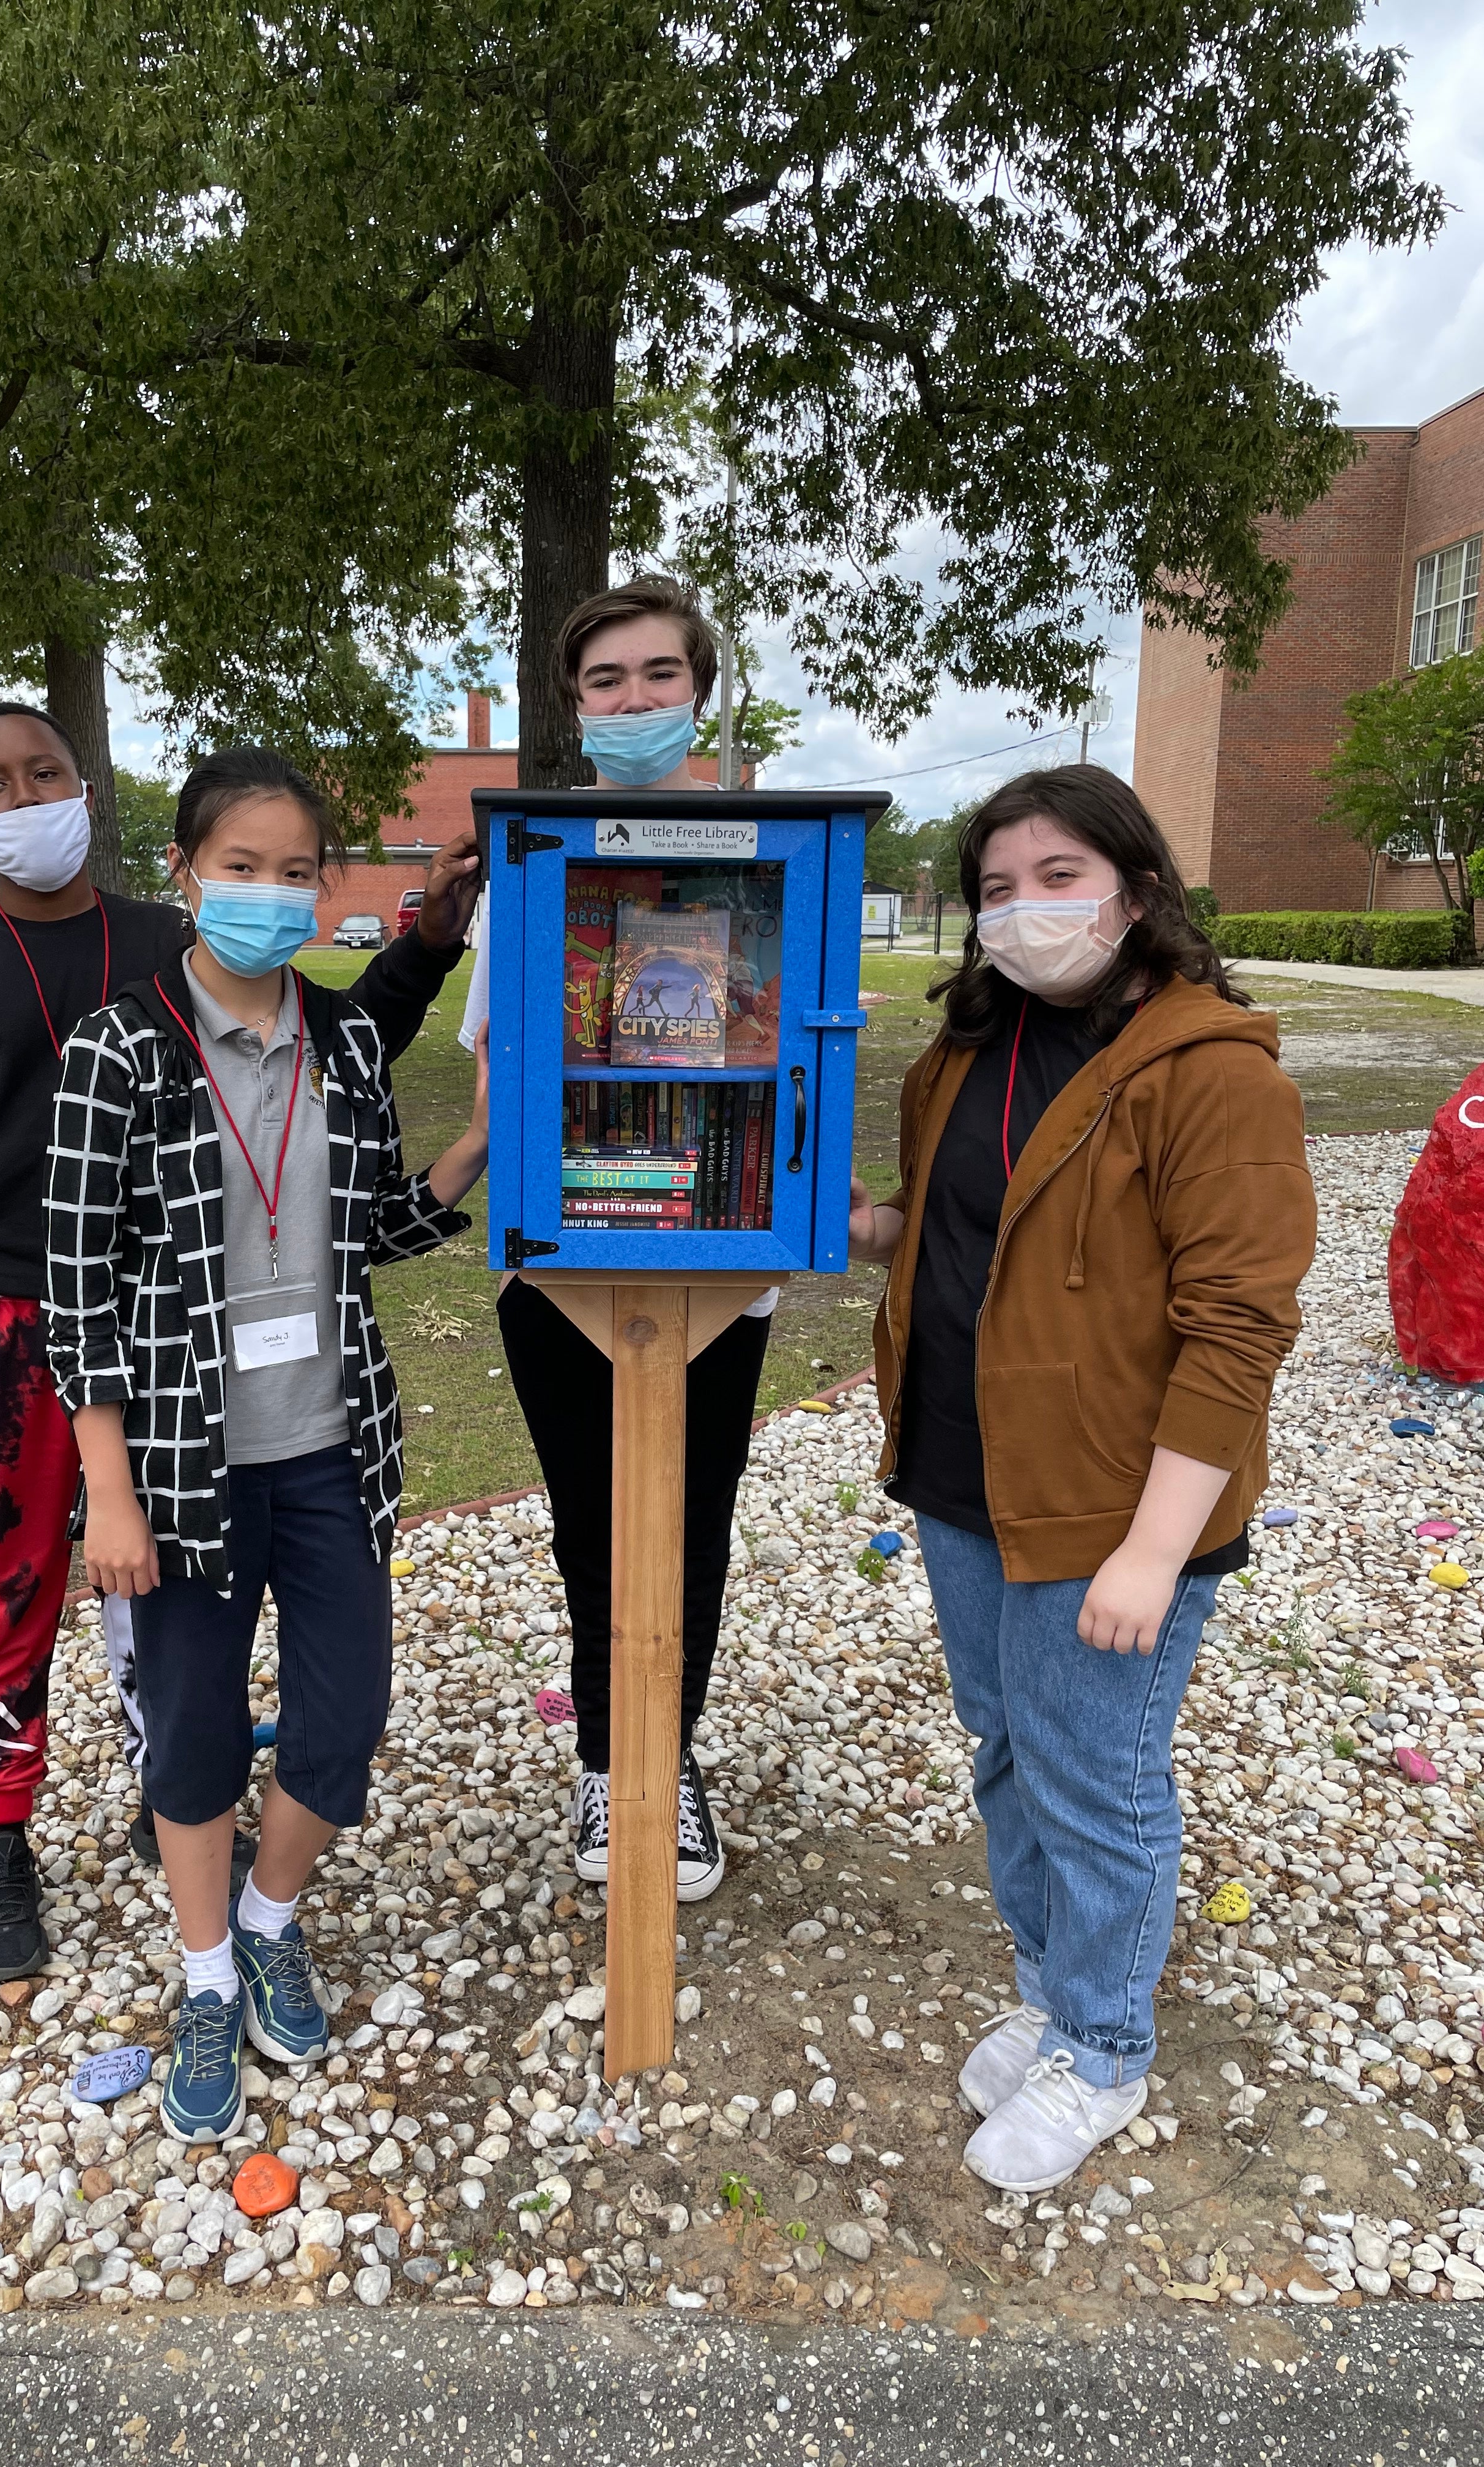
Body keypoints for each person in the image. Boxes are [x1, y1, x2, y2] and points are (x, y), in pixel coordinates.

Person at [0, 704, 478, 1988]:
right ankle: (0, 1831)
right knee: (10, 1595)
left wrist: (430, 936)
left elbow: (342, 1046)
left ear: (89, 790)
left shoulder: (165, 937)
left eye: (47, 773)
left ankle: (183, 1815)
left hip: (188, 1331)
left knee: (160, 1631)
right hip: (8, 1327)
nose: (26, 795)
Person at [850, 767, 1315, 2194]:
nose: (1025, 911)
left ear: (1140, 889)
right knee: (1007, 1754)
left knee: (1095, 1776)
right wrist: (831, 1221)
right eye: (997, 887)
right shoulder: (964, 1058)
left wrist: (1152, 1549)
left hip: (1114, 1505)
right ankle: (1056, 1989)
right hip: (960, 1475)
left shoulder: (1211, 1069)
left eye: (1060, 878)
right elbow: (944, 1233)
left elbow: (1240, 1321)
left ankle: (1106, 2046)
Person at [44, 746, 489, 2140]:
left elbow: (367, 1238)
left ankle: (267, 1917)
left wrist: (469, 1155)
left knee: (345, 1718)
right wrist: (107, 1493)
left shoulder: (345, 1044)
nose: (270, 893)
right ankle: (201, 1977)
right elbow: (77, 1295)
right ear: (185, 877)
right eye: (241, 866)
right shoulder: (115, 1052)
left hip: (331, 1449)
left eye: (296, 871)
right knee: (190, 1733)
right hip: (181, 1466)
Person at [486, 573, 776, 1902]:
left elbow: (785, 1054)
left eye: (660, 676)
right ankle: (613, 1763)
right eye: (607, 683)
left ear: (699, 694)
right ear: (574, 708)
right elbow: (502, 1073)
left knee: (691, 1521)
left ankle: (675, 1752)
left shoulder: (769, 859)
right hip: (567, 1272)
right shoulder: (532, 869)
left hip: (716, 1263)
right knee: (592, 1526)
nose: (635, 702)